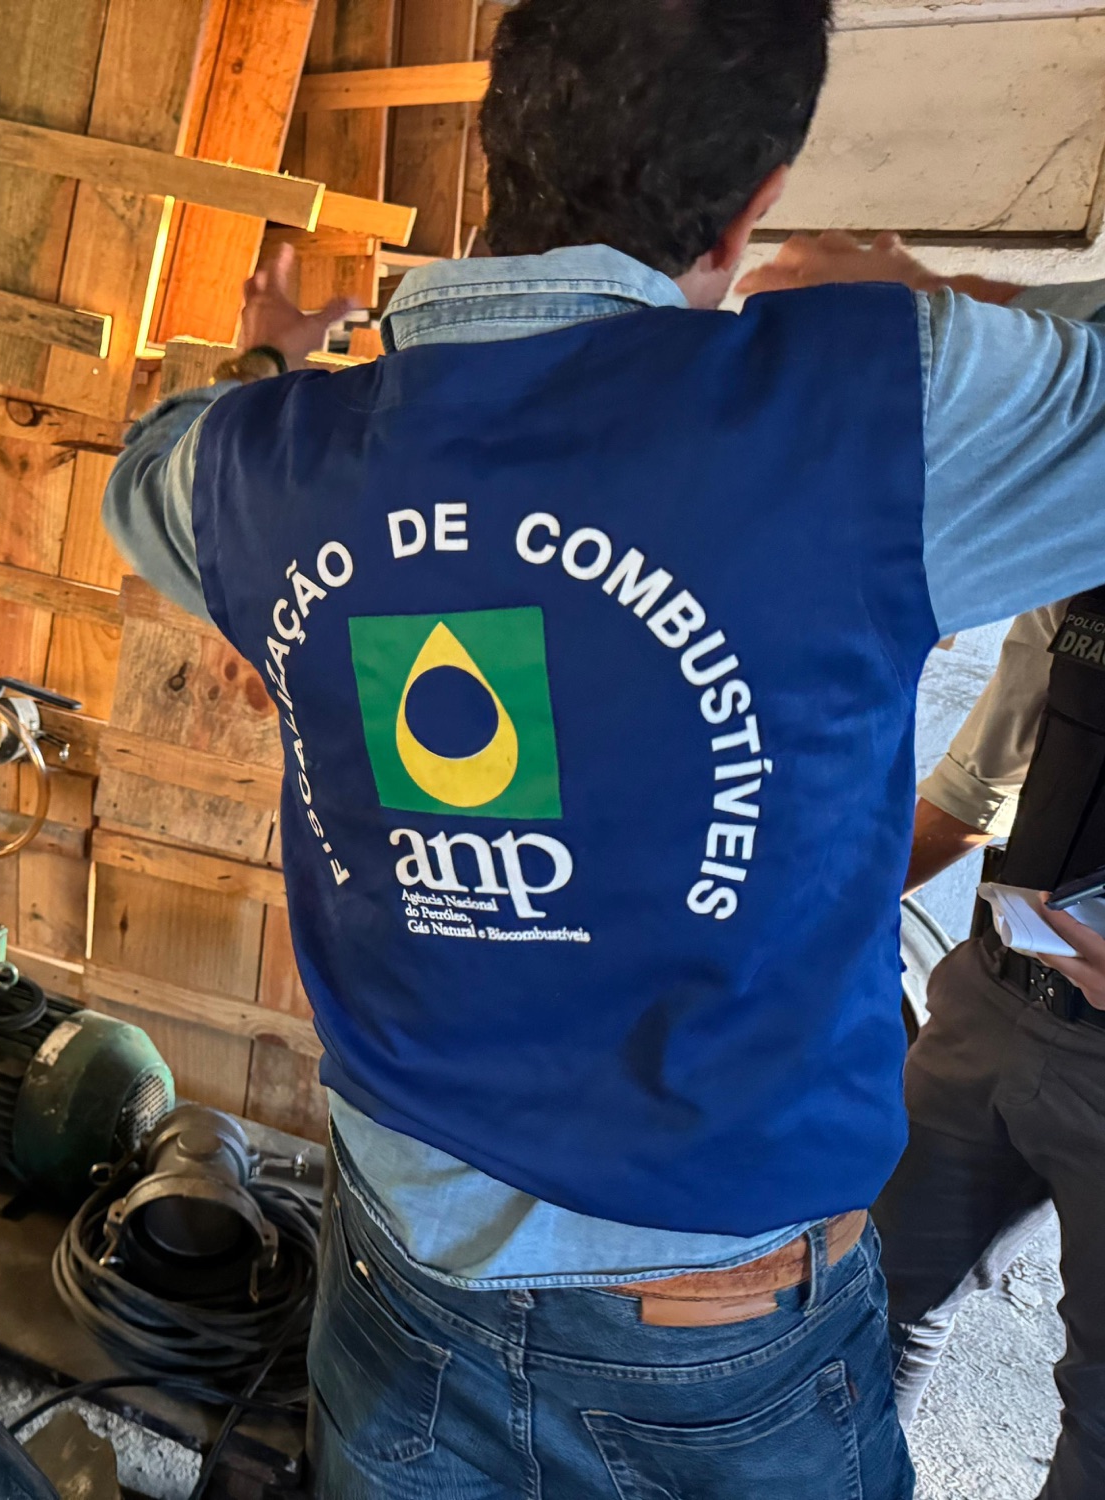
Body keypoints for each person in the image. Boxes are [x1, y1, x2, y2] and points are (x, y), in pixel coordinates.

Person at [99, 0, 1105, 1493]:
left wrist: (275, 364)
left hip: (395, 1282)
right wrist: (935, 296)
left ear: (496, 148)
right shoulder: (861, 407)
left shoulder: (267, 462)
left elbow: (144, 473)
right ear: (758, 205)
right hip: (719, 1330)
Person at [878, 594, 1105, 1500]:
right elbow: (979, 787)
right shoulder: (1082, 557)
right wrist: (818, 911)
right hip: (990, 1005)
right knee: (870, 1304)